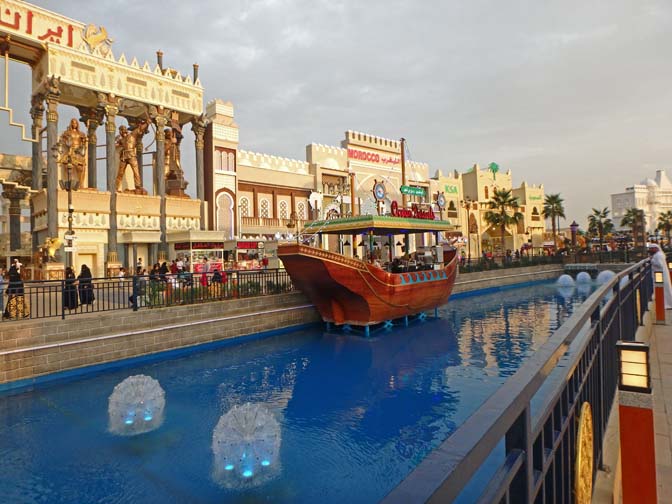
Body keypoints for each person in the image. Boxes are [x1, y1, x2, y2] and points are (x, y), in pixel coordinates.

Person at [114, 120, 150, 193]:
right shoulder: (121, 140)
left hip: (131, 155)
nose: (122, 132)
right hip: (124, 156)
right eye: (121, 131)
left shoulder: (132, 135)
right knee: (120, 173)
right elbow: (115, 144)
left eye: (123, 130)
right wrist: (116, 143)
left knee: (135, 171)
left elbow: (140, 129)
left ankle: (138, 186)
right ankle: (116, 187)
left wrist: (147, 123)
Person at [58, 118, 87, 188]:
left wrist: (83, 142)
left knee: (81, 168)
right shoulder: (67, 132)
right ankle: (69, 182)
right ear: (71, 124)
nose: (74, 124)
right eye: (73, 123)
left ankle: (81, 184)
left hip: (78, 151)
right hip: (71, 150)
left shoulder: (81, 133)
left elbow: (84, 143)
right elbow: (64, 140)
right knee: (68, 166)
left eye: (76, 123)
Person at [649, 243, 672, 308]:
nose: (650, 250)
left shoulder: (658, 255)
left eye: (651, 249)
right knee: (664, 289)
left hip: (660, 275)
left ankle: (666, 304)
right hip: (661, 274)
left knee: (663, 289)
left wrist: (651, 260)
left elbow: (659, 264)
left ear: (655, 249)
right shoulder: (659, 254)